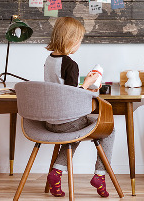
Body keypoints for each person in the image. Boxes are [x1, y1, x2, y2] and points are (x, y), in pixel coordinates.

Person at [44, 17, 114, 198]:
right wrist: (89, 83)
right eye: (80, 40)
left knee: (74, 132)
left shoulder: (49, 60)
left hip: (50, 121)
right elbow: (72, 96)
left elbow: (61, 89)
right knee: (109, 129)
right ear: (71, 40)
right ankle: (100, 175)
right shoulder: (70, 64)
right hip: (67, 121)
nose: (79, 44)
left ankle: (56, 173)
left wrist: (84, 84)